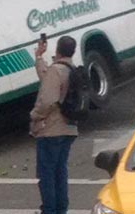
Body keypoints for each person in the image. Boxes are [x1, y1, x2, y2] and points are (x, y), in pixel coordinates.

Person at [30, 36, 79, 214]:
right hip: (69, 127)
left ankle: (50, 209)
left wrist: (35, 115)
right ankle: (61, 208)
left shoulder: (56, 70)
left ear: (58, 49)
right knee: (60, 171)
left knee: (47, 174)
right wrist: (39, 58)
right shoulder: (71, 69)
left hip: (51, 129)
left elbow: (47, 99)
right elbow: (47, 78)